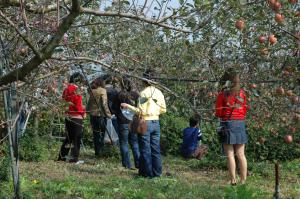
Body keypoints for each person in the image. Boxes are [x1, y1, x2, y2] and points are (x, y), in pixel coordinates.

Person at [121, 72, 166, 178]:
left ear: (143, 80)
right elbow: (164, 109)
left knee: (145, 149)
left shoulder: (144, 93)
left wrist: (127, 106)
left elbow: (140, 111)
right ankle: (157, 173)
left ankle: (147, 174)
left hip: (145, 122)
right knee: (155, 149)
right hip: (156, 122)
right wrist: (154, 112)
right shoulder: (159, 92)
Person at [215, 68, 248, 185]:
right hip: (240, 123)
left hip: (228, 123)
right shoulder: (242, 94)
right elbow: (244, 110)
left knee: (230, 154)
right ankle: (243, 181)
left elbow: (218, 112)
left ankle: (233, 180)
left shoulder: (222, 95)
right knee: (241, 154)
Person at [58, 72, 86, 163]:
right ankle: (73, 159)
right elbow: (78, 104)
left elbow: (64, 101)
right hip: (76, 116)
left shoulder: (66, 89)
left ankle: (62, 157)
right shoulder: (76, 90)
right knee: (76, 139)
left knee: (69, 138)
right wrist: (83, 113)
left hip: (68, 115)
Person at [114, 78, 140, 169]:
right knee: (135, 143)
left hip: (123, 121)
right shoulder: (135, 95)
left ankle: (127, 164)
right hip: (134, 121)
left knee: (124, 143)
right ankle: (138, 163)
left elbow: (114, 108)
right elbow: (138, 108)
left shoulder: (119, 95)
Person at [87, 77, 112, 157]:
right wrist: (108, 114)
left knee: (95, 134)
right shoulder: (103, 91)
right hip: (100, 115)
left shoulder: (92, 91)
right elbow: (104, 104)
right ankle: (101, 151)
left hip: (92, 115)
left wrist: (88, 111)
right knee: (102, 133)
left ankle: (97, 151)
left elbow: (89, 103)